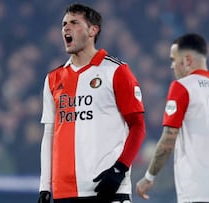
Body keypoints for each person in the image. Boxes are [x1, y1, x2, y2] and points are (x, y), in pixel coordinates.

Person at [38, 3, 146, 203]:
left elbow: (138, 126)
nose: (66, 28)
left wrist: (119, 169)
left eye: (74, 23)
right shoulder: (53, 78)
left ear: (92, 30)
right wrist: (45, 186)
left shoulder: (116, 71)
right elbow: (49, 134)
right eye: (64, 24)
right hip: (64, 191)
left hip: (108, 187)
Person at [135, 33, 209, 203]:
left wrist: (149, 177)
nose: (172, 66)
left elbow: (168, 140)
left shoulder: (182, 87)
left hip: (196, 189)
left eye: (173, 60)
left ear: (187, 60)